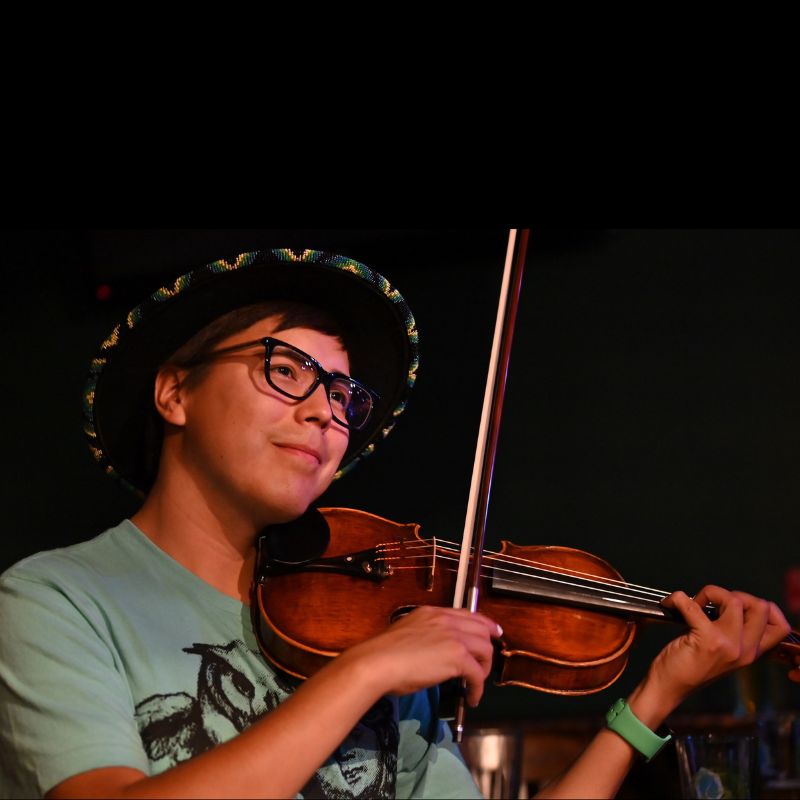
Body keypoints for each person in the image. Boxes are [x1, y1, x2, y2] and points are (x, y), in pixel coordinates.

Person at [0, 248, 795, 800]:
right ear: (175, 394)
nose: (325, 412)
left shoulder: (369, 623)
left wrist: (657, 697)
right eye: (286, 370)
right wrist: (369, 672)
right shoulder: (55, 601)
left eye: (344, 397)